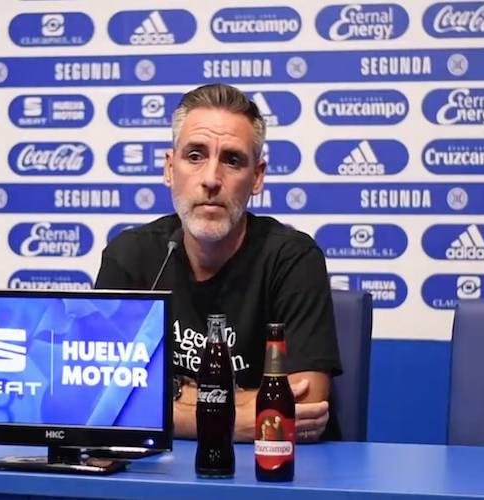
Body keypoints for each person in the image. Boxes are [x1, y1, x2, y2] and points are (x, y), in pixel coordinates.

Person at [95, 83, 342, 442]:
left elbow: (304, 405)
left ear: (257, 177)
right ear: (169, 168)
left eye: (232, 160)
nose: (211, 179)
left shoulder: (293, 259)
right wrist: (236, 418)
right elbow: (101, 400)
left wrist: (167, 398)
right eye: (195, 156)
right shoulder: (130, 257)